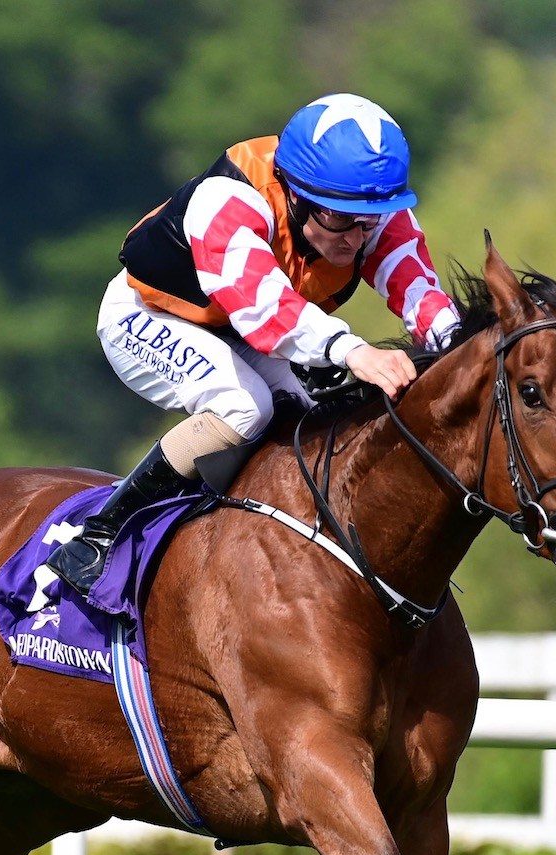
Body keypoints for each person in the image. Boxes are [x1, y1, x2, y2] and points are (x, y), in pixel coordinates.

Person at [48, 93, 461, 595]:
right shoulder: (229, 198)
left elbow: (421, 290)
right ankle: (101, 534)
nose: (356, 238)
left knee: (313, 419)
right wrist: (355, 352)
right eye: (339, 219)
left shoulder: (367, 211)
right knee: (243, 407)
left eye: (368, 222)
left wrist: (461, 346)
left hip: (238, 331)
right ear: (296, 193)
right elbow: (262, 308)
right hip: (148, 314)